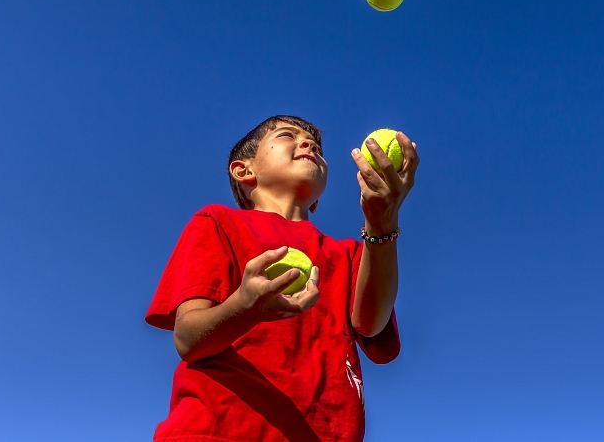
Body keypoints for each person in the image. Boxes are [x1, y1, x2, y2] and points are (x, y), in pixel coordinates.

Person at [145, 115, 419, 442]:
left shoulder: (350, 253)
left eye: (317, 145)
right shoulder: (216, 222)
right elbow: (187, 340)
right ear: (244, 170)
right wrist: (244, 308)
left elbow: (371, 324)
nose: (310, 144)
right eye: (287, 135)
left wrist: (382, 223)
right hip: (218, 432)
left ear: (317, 199)